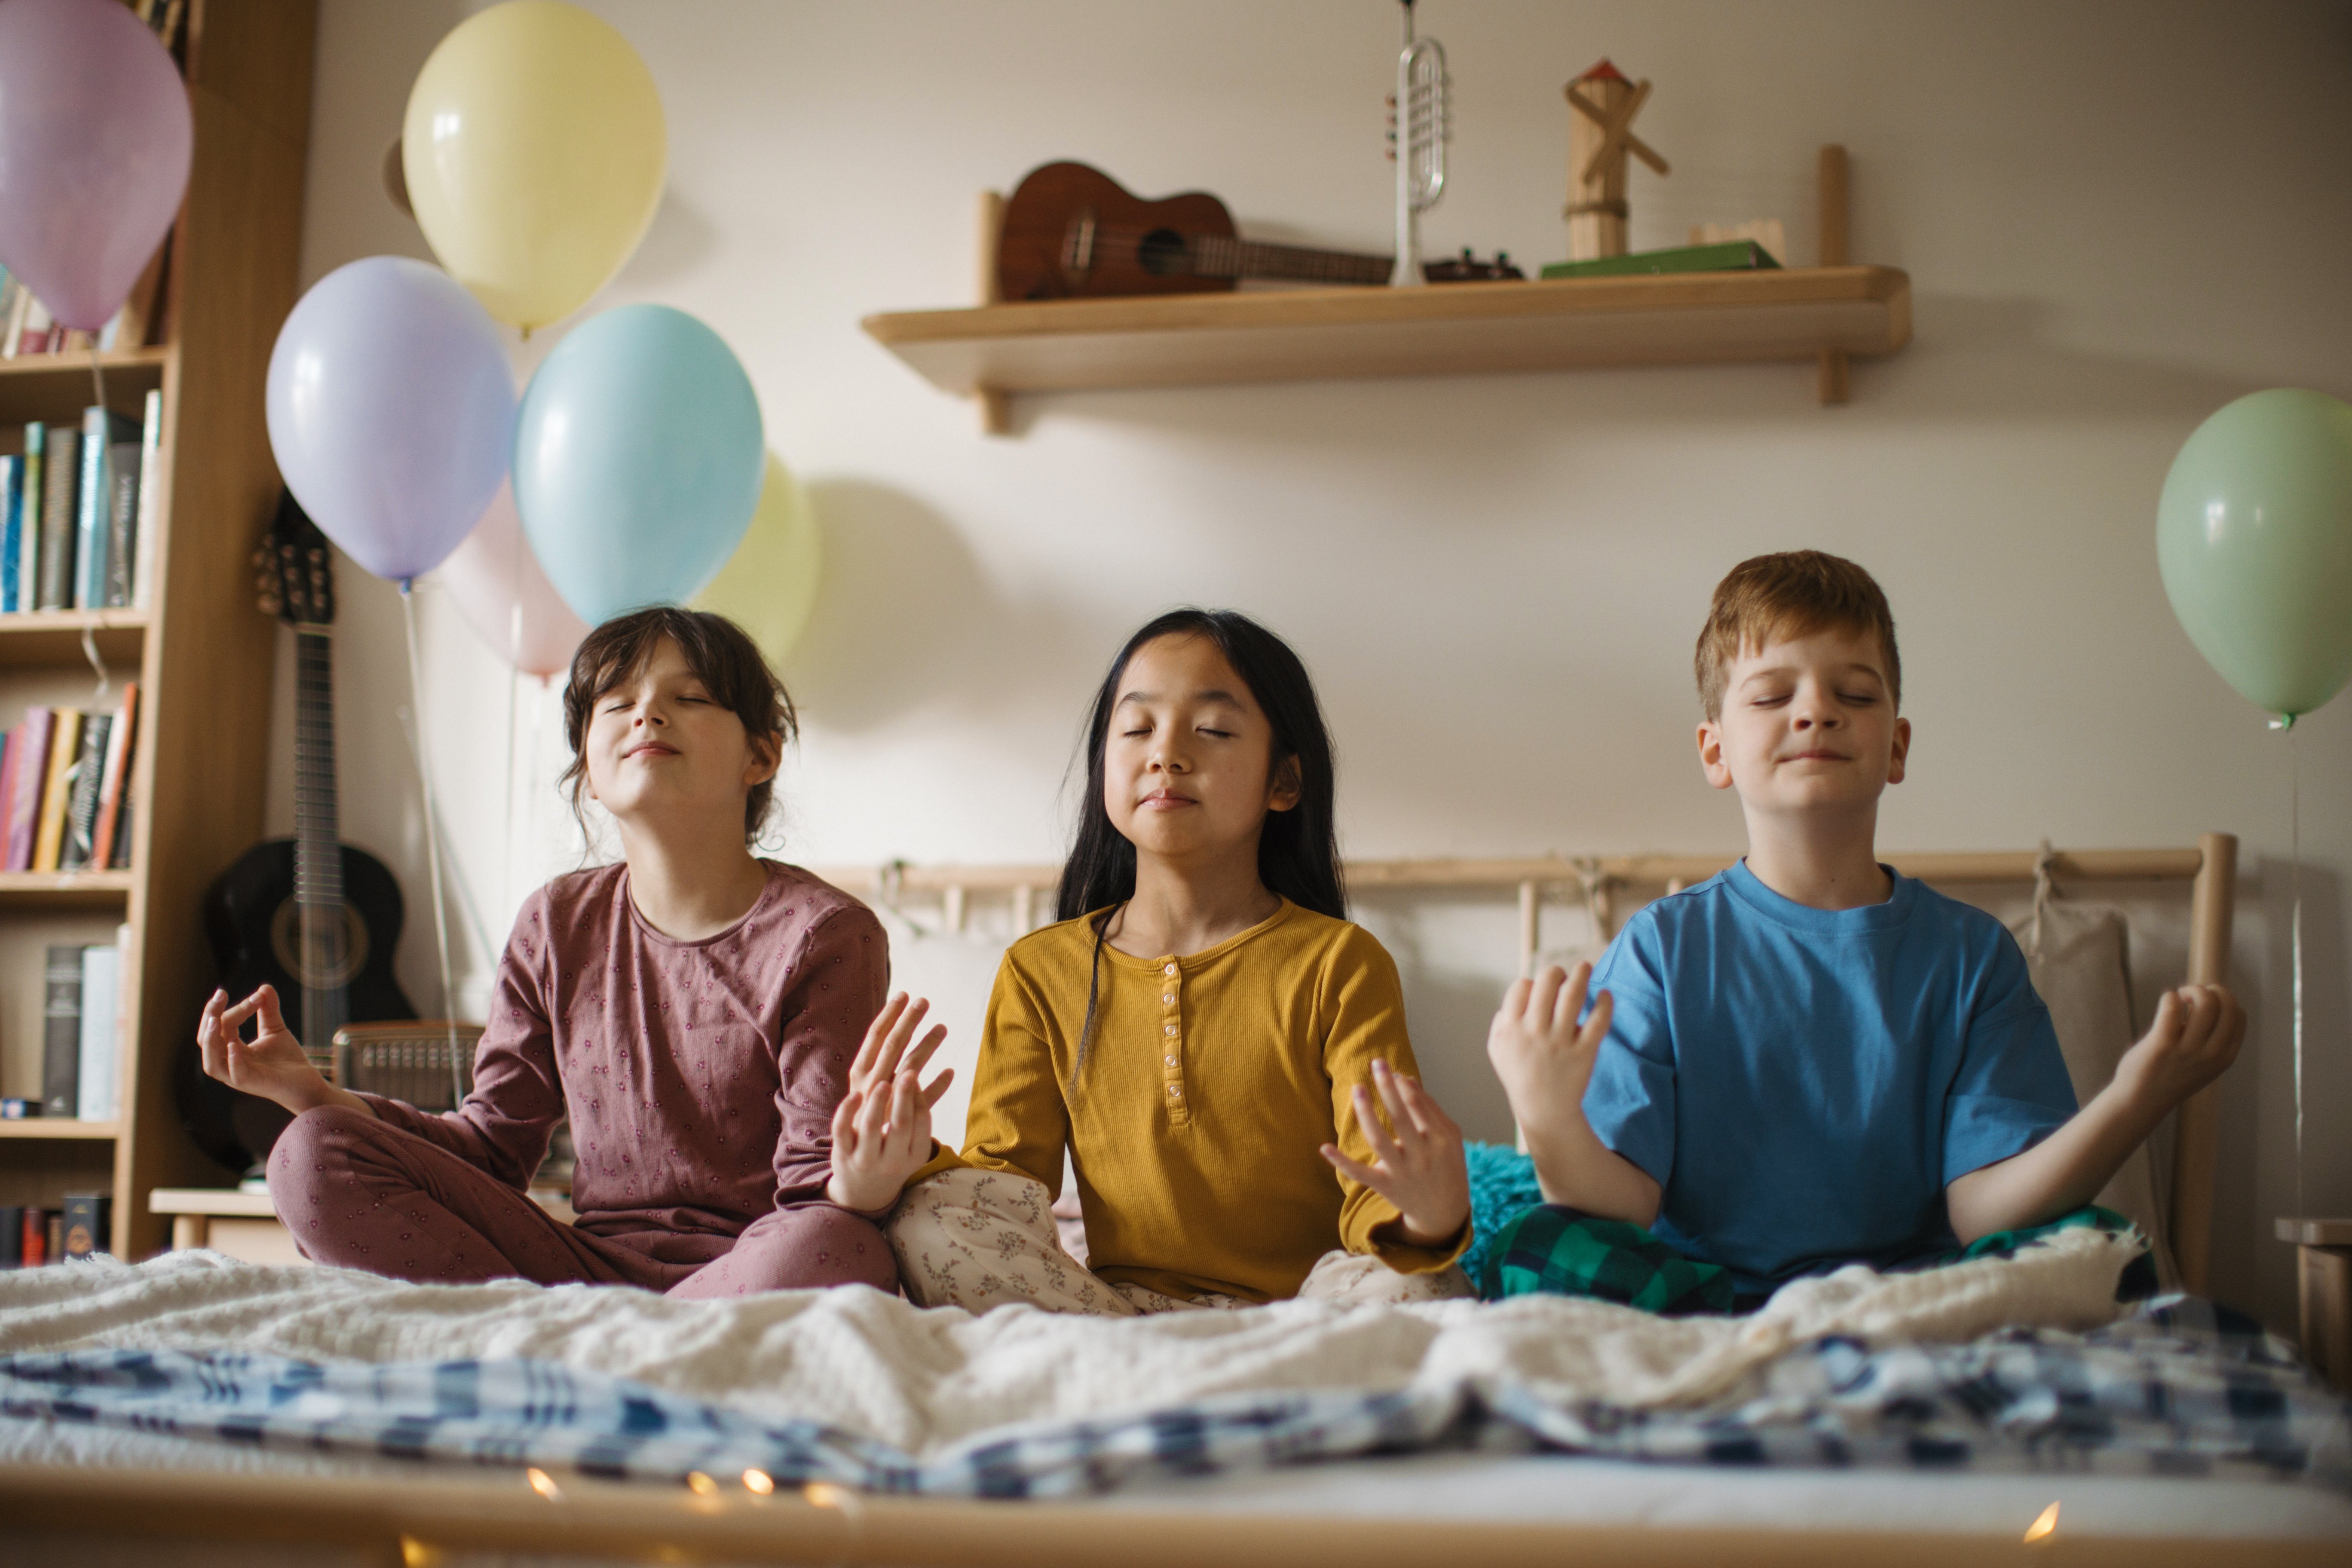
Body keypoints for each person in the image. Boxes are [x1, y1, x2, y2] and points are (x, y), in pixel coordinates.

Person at [1483, 551, 2245, 1312]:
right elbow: (1623, 1207)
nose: (1816, 711)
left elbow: (1985, 1214)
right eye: (1773, 695)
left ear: (1898, 747)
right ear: (1716, 751)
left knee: (2100, 1244)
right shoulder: (1661, 949)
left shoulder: (1973, 957)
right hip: (1707, 1297)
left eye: (1852, 691)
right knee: (1538, 1243)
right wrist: (1548, 1116)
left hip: (1921, 1294)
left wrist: (2137, 1097)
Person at [198, 606, 936, 1298]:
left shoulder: (826, 933)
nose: (647, 712)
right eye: (616, 701)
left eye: (692, 698)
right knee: (309, 1150)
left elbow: (815, 1192)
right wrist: (309, 1092)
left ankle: (596, 1350)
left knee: (842, 1245)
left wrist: (864, 1186)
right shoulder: (555, 922)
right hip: (579, 1273)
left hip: (751, 1266)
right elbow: (490, 1152)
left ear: (761, 755)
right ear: (588, 767)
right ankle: (618, 1345)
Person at [867, 608, 1475, 1313]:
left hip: (1310, 1310)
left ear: (1284, 782)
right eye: (1137, 729)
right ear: (1106, 766)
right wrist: (902, 1170)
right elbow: (1003, 1186)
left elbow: (1380, 1175)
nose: (1166, 754)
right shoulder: (1041, 971)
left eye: (1213, 731)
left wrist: (1428, 1219)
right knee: (927, 1218)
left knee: (1425, 1279)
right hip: (1118, 1312)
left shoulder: (1340, 962)